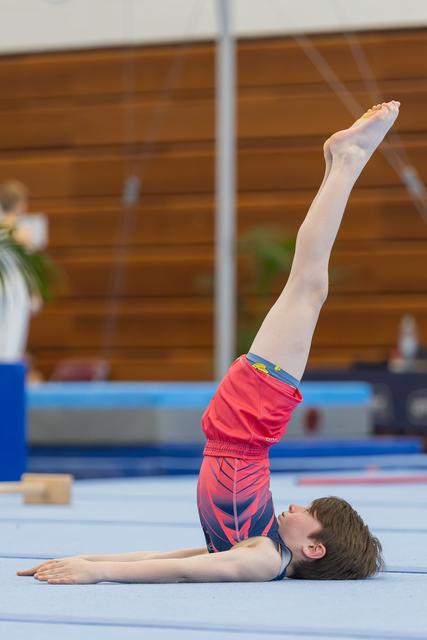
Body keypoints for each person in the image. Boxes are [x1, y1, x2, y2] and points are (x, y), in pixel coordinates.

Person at [17, 100, 400, 585]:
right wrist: (89, 563)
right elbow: (173, 557)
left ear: (314, 546)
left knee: (308, 286)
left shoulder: (261, 556)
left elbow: (178, 568)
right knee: (308, 285)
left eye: (310, 511)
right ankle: (339, 164)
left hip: (246, 424)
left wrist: (92, 568)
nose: (298, 503)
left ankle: (344, 162)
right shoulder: (259, 542)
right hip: (243, 428)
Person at [0, 180, 47, 362]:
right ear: (20, 204)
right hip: (14, 287)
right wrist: (35, 291)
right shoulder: (21, 232)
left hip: (4, 283)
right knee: (12, 337)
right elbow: (30, 265)